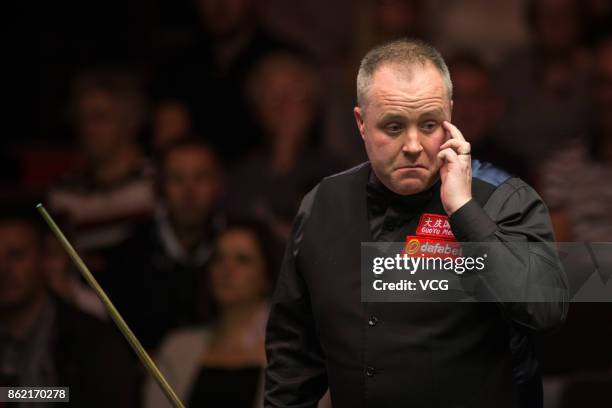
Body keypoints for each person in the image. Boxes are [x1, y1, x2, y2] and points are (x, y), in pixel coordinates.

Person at [264, 39, 568, 407]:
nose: (412, 144)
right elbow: (293, 354)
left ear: (450, 116)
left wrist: (464, 211)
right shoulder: (322, 205)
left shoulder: (505, 198)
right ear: (361, 123)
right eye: (393, 127)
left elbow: (545, 310)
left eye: (428, 124)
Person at [0, 205, 136, 408]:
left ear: (43, 259)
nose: (3, 269)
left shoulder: (93, 340)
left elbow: (75, 394)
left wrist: (9, 394)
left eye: (16, 255)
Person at [102, 139, 224, 352]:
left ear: (219, 184)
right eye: (177, 179)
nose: (189, 192)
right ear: (159, 187)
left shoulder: (239, 247)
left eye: (200, 178)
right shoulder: (127, 257)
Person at [143, 222, 278, 408]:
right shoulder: (176, 348)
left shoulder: (291, 356)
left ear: (267, 276)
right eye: (219, 258)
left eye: (243, 259)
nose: (227, 269)